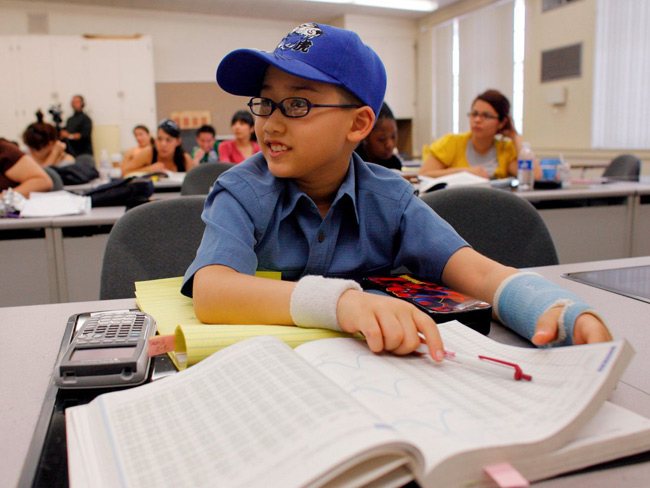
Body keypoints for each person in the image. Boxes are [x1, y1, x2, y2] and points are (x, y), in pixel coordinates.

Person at [182, 23, 611, 361]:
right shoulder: (240, 190)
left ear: (358, 124)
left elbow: (477, 273)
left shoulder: (390, 197)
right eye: (265, 101)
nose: (271, 123)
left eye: (298, 105)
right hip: (270, 374)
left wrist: (554, 308)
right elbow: (213, 291)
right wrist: (341, 303)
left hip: (375, 374)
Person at [420, 89, 534, 180]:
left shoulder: (505, 149)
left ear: (502, 122)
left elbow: (533, 176)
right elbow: (423, 174)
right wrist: (465, 173)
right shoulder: (452, 142)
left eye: (486, 115)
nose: (477, 120)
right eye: (474, 114)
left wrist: (515, 136)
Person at [122, 119, 195, 176]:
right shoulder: (149, 153)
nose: (163, 144)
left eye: (168, 140)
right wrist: (148, 170)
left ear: (178, 142)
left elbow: (194, 182)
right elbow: (124, 173)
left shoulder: (184, 159)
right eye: (159, 139)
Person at [354, 101, 403, 170]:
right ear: (365, 136)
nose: (390, 145)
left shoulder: (394, 164)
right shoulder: (353, 163)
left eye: (393, 137)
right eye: (382, 139)